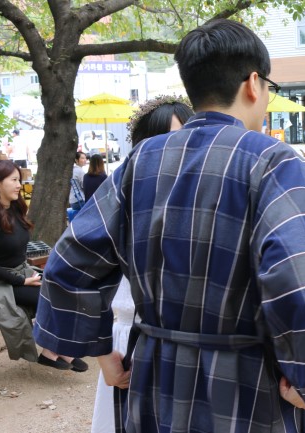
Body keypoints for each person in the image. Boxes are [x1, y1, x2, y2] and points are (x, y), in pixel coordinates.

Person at [34, 19, 305, 433]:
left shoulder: (141, 161)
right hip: (248, 387)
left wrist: (103, 352)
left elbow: (72, 258)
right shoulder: (275, 161)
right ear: (254, 83)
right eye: (269, 87)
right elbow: (297, 278)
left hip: (155, 378)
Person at [91, 95, 194, 433]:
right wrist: (105, 356)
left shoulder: (205, 200)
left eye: (182, 141)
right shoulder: (119, 201)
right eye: (160, 142)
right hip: (128, 344)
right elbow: (82, 278)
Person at [0, 160, 87, 372]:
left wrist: (29, 275)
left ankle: (56, 350)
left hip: (21, 273)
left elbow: (17, 253)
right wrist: (22, 281)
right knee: (46, 298)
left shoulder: (15, 211)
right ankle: (52, 351)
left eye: (19, 179)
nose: (19, 185)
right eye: (14, 180)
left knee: (65, 290)